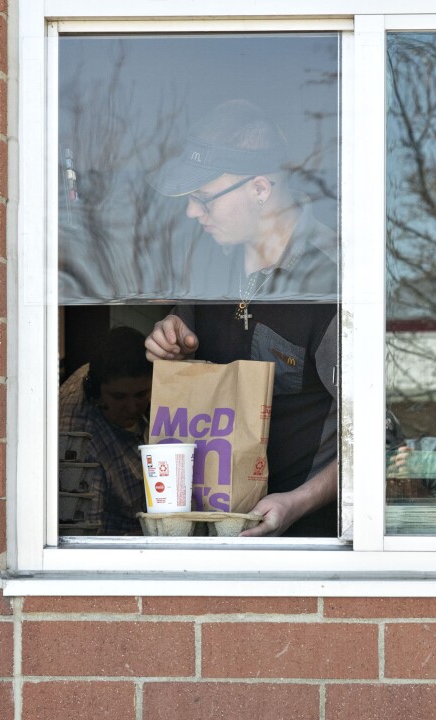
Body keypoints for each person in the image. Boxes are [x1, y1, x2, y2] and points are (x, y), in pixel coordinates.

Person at [145, 100, 339, 537]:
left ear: (259, 189)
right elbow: (183, 362)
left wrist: (297, 502)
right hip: (206, 529)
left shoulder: (333, 282)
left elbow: (374, 434)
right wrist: (167, 343)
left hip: (307, 544)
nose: (193, 213)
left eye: (202, 198)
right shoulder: (207, 267)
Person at [60, 326, 152, 535]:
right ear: (95, 391)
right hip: (113, 542)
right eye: (118, 397)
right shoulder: (76, 437)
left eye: (141, 394)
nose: (132, 407)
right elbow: (82, 538)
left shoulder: (105, 370)